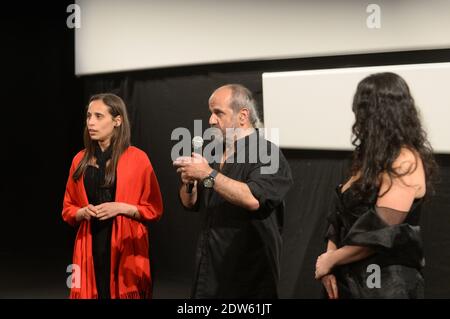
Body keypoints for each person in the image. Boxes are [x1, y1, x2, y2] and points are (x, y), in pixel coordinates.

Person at [315, 72, 437, 299]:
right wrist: (329, 263)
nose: (357, 119)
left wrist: (332, 259)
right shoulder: (368, 158)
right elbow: (339, 216)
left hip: (385, 286)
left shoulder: (405, 161)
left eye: (361, 111)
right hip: (348, 280)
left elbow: (380, 232)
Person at [173, 84, 293, 298]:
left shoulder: (267, 153)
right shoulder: (216, 154)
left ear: (243, 116)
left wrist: (207, 174)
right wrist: (190, 182)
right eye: (210, 113)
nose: (210, 120)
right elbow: (192, 202)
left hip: (247, 280)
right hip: (210, 272)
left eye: (218, 112)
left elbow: (253, 198)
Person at [62, 93, 163, 299]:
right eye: (89, 116)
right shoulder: (80, 160)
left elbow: (154, 209)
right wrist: (82, 212)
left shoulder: (138, 159)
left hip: (125, 244)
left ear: (117, 121)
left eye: (99, 116)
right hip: (89, 244)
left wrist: (121, 207)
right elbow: (68, 208)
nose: (91, 122)